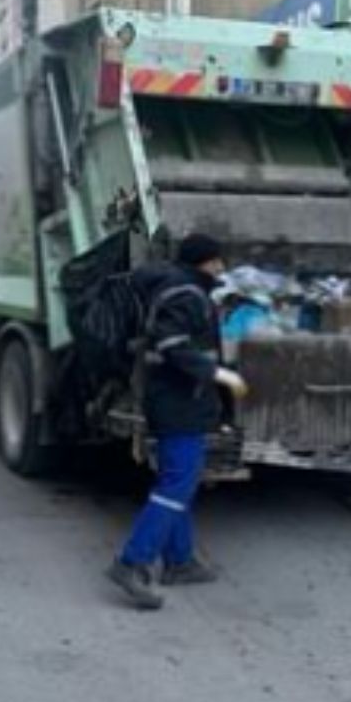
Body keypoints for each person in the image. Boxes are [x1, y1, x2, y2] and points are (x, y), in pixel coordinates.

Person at [106, 233, 249, 610]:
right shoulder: (186, 294)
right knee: (176, 483)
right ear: (206, 262)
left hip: (177, 400)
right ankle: (131, 562)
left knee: (179, 480)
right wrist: (218, 374)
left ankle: (180, 561)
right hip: (180, 402)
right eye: (217, 261)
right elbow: (172, 345)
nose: (221, 268)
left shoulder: (180, 287)